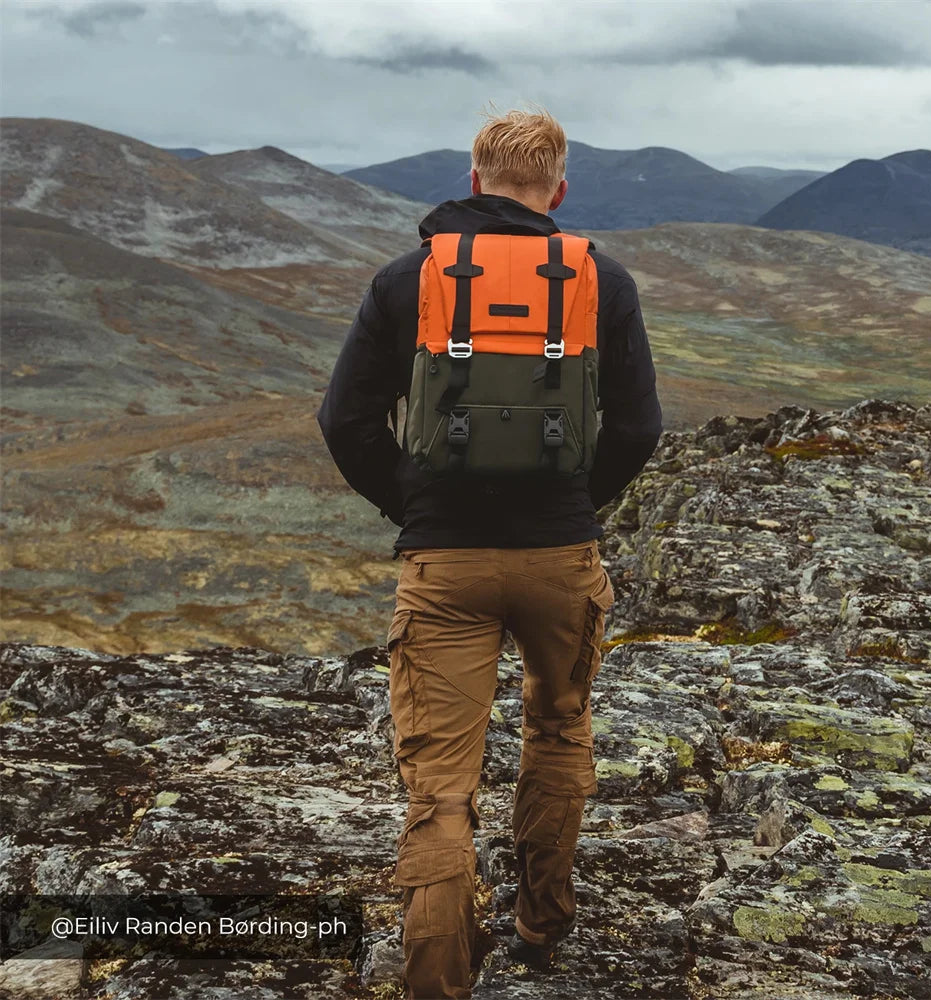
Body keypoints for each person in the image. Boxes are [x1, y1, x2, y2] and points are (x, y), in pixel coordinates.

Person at [317, 107, 662, 999]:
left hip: (445, 565)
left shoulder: (408, 279)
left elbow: (344, 420)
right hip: (562, 560)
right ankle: (541, 921)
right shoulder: (602, 281)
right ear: (558, 190)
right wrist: (577, 507)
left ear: (473, 182)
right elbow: (637, 426)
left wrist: (416, 504)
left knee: (440, 788)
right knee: (556, 729)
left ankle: (437, 980)